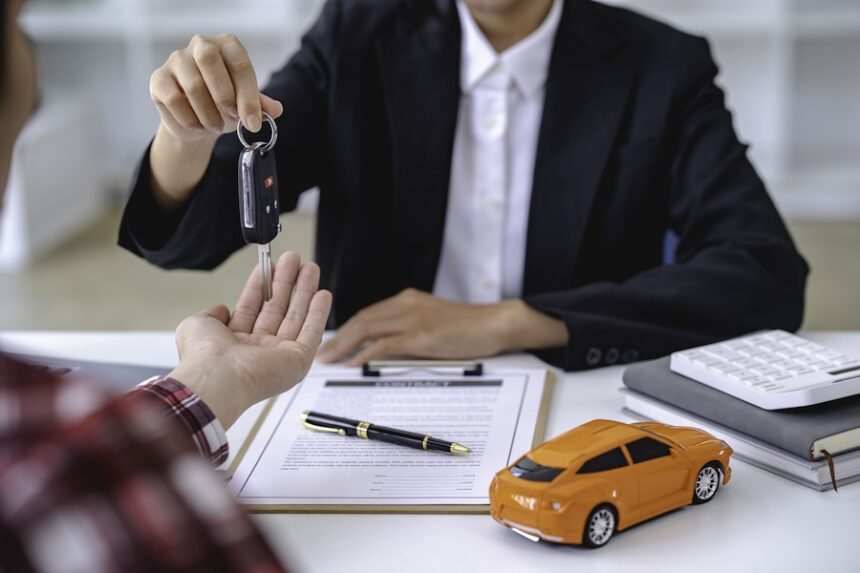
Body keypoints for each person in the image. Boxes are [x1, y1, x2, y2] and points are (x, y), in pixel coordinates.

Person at [119, 0, 809, 371]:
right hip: (374, 381)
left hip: (575, 391)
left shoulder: (663, 65)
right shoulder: (357, 33)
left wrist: (508, 320)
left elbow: (763, 272)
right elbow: (192, 236)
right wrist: (185, 136)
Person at [0, 0, 332, 569]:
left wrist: (206, 384)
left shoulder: (56, 432)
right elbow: (83, 462)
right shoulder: (367, 22)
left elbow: (79, 456)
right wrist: (185, 137)